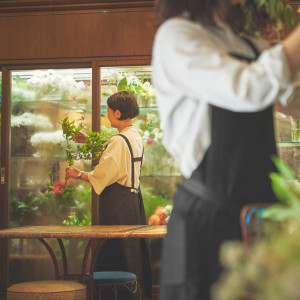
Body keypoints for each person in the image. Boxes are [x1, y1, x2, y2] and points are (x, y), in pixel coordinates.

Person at [151, 0, 300, 299]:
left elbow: (290, 97)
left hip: (259, 220)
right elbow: (249, 87)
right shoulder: (177, 34)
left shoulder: (248, 44)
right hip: (206, 224)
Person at [65, 91, 152, 300]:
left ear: (118, 113)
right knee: (130, 252)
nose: (107, 115)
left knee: (116, 252)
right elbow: (116, 159)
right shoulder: (133, 135)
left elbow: (103, 174)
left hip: (118, 206)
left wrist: (78, 174)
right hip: (131, 202)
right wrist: (89, 143)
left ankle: (116, 295)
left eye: (108, 111)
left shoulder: (119, 141)